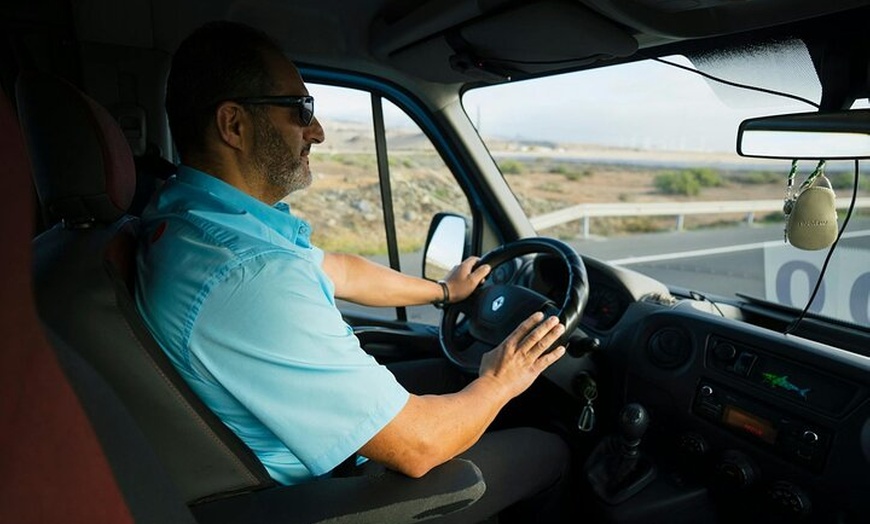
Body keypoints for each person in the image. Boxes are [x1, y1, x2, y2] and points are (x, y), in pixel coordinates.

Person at [136, 20, 574, 522]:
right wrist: (500, 381)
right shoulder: (250, 275)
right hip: (315, 493)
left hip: (286, 448)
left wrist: (443, 291)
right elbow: (419, 446)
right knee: (549, 449)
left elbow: (341, 270)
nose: (317, 132)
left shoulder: (191, 217)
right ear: (233, 125)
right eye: (302, 110)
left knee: (453, 374)